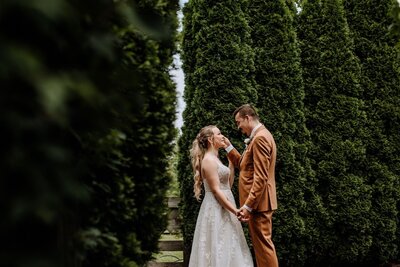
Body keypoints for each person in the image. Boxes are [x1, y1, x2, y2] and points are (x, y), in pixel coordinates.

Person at [188, 125, 254, 267]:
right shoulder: (208, 161)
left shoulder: (216, 158)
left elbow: (227, 186)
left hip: (226, 204)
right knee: (218, 244)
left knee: (230, 243)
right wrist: (235, 211)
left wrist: (230, 165)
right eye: (219, 134)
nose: (222, 136)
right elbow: (217, 192)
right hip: (216, 208)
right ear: (211, 139)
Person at [223, 104, 279, 267]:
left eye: (239, 122)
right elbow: (244, 164)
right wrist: (228, 147)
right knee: (261, 247)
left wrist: (248, 206)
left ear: (248, 118)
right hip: (259, 203)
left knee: (264, 247)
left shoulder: (260, 138)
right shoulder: (258, 136)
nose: (238, 126)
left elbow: (260, 177)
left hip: (259, 204)